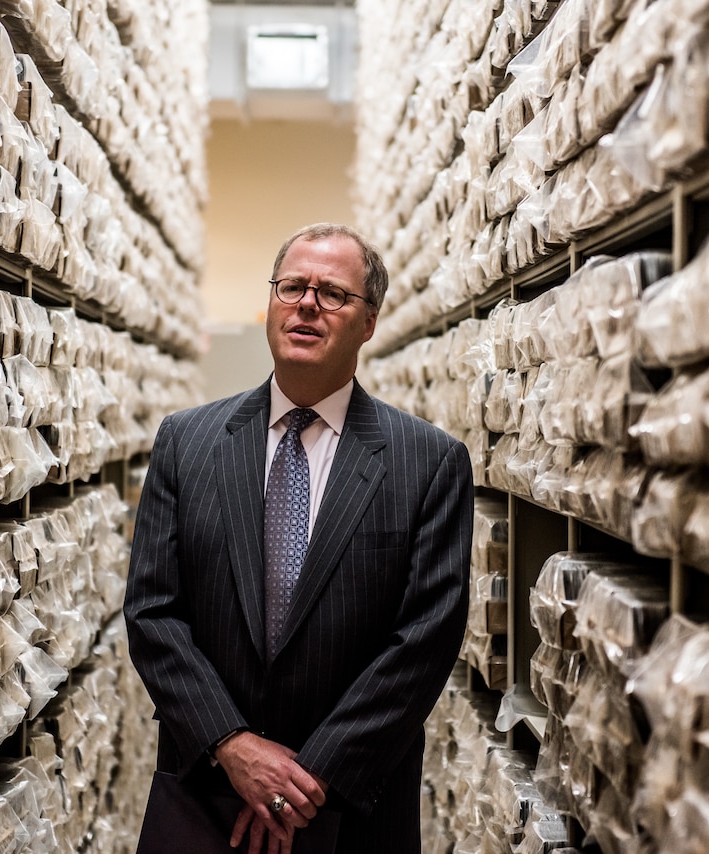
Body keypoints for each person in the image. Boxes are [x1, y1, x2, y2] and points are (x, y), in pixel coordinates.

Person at [124, 223, 474, 853]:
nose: (307, 304)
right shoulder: (188, 442)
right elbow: (153, 613)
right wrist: (233, 745)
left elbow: (425, 638)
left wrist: (310, 776)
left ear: (369, 321)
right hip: (207, 792)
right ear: (272, 302)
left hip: (350, 805)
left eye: (333, 294)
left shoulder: (428, 461)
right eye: (292, 287)